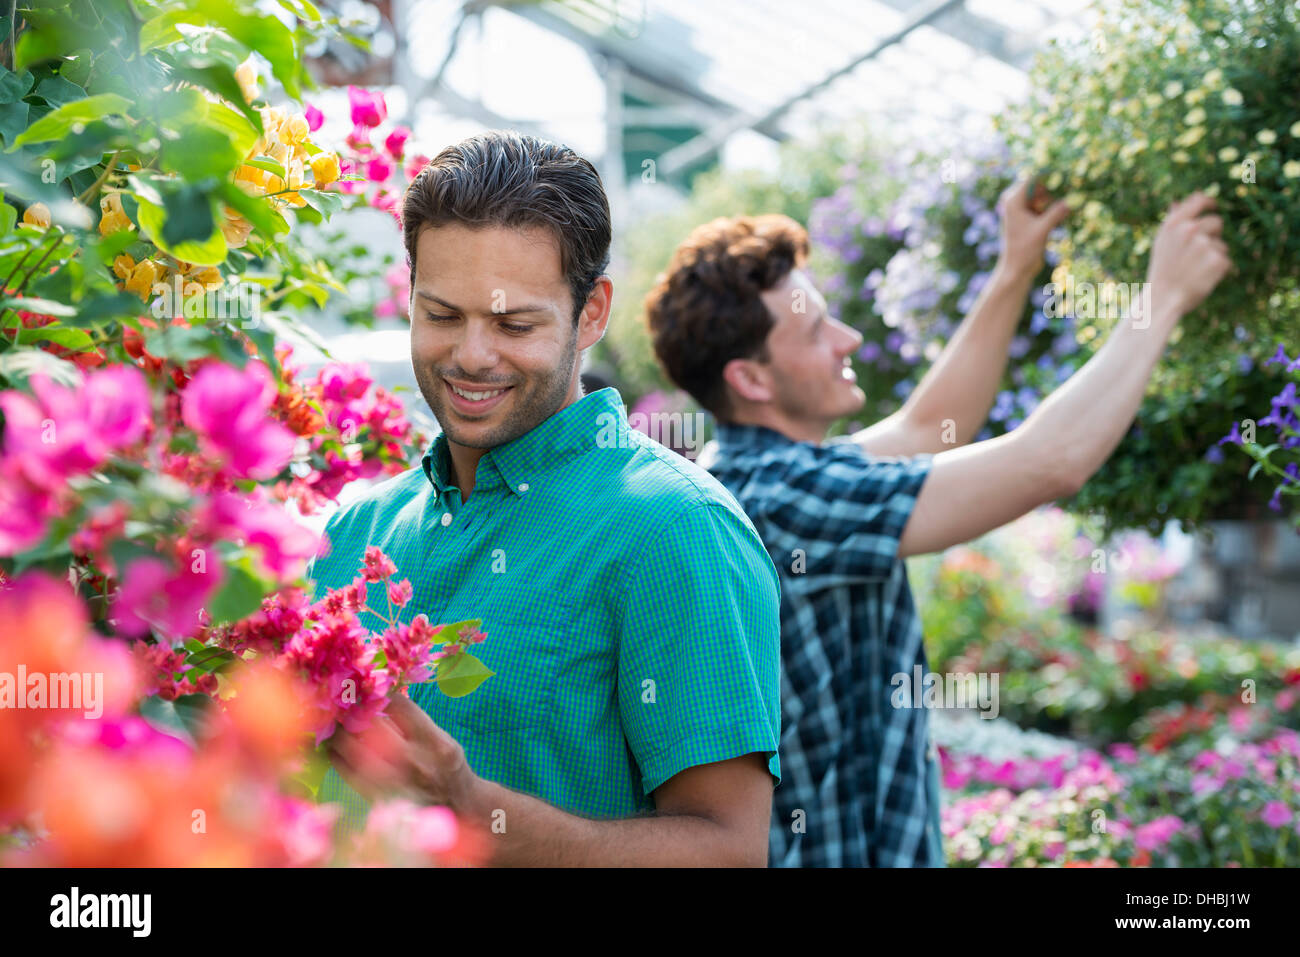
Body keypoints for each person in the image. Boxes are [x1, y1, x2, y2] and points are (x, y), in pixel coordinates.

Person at [645, 185, 1231, 866]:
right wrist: (1160, 302)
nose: (849, 339)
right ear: (751, 378)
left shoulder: (758, 472)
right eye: (816, 331)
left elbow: (931, 426)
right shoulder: (785, 498)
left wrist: (1014, 265)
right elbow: (1051, 463)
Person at [309, 130, 782, 866]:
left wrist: (473, 810)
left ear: (591, 313)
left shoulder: (677, 528)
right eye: (441, 314)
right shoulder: (351, 530)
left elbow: (728, 851)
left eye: (513, 323)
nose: (470, 354)